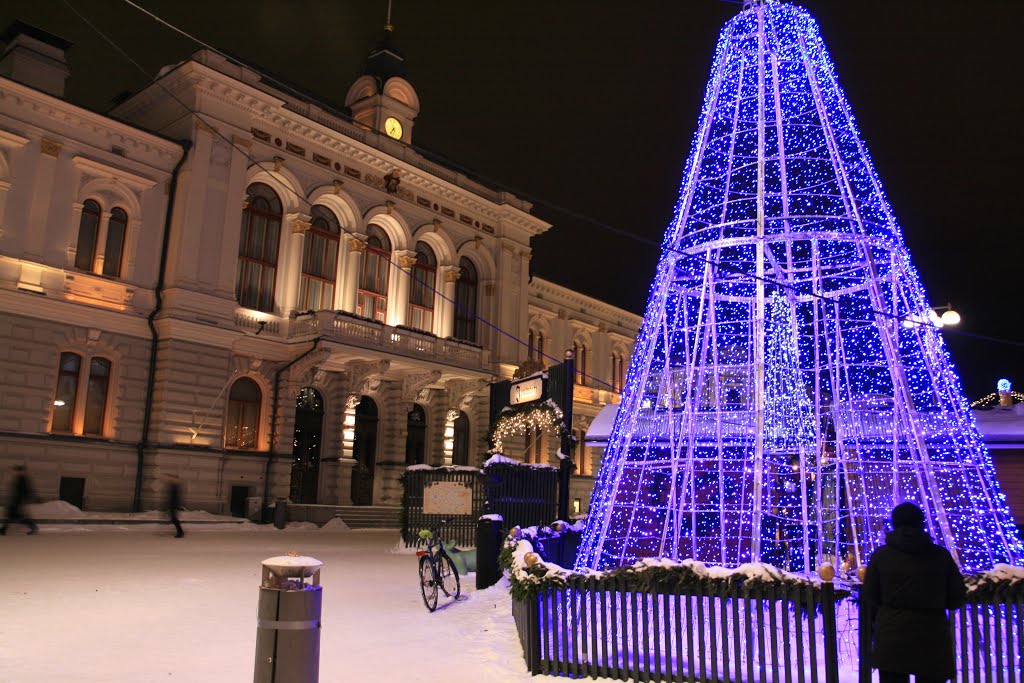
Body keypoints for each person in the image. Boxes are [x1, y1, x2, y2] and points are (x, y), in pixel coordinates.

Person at [862, 502, 966, 683]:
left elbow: (870, 597)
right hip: (932, 637)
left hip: (891, 637)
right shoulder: (940, 556)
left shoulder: (881, 556)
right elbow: (956, 598)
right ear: (922, 523)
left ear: (894, 524)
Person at [1, 464, 39, 535]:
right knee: (15, 516)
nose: (15, 472)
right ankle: (3, 530)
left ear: (20, 471)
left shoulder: (23, 479)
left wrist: (21, 501)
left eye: (17, 471)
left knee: (15, 516)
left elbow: (25, 491)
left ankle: (3, 530)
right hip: (16, 502)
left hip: (17, 502)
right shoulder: (20, 478)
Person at [164, 474, 184, 538]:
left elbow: (174, 497)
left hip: (173, 505)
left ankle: (180, 532)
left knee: (174, 519)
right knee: (174, 519)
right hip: (173, 505)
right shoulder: (174, 486)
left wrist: (174, 505)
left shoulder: (175, 486)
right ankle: (180, 532)